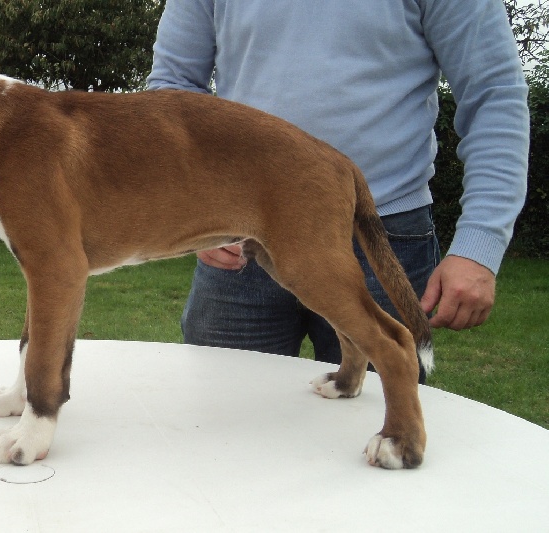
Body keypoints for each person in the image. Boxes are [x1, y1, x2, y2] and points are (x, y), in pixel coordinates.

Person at [147, 0, 530, 382]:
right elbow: (172, 93)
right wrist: (200, 208)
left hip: (381, 229)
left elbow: (493, 93)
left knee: (382, 406)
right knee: (224, 403)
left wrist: (480, 244)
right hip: (241, 233)